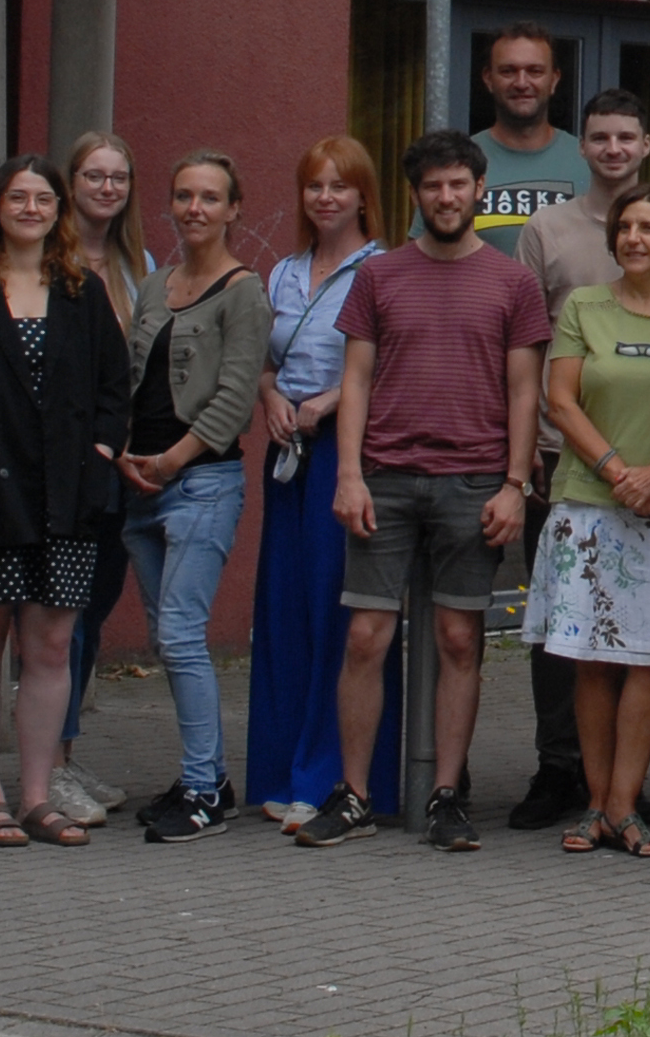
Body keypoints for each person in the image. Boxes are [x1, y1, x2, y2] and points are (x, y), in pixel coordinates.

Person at [301, 132, 550, 853]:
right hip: (384, 477)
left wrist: (514, 483)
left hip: (473, 481)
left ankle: (445, 794)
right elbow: (354, 380)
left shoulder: (513, 282)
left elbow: (524, 391)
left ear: (479, 190)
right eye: (433, 186)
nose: (446, 197)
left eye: (458, 184)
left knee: (459, 639)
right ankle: (353, 794)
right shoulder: (378, 276)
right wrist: (348, 474)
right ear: (415, 195)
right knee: (365, 638)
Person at [0, 155, 133, 848]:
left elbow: (114, 389)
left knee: (51, 645)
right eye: (18, 197)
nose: (31, 209)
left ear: (58, 211)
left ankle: (37, 797)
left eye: (43, 198)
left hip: (65, 498)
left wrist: (99, 458)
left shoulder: (80, 290)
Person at [511, 91, 650, 833]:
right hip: (589, 502)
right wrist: (621, 473)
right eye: (625, 228)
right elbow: (559, 400)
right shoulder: (583, 308)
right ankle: (596, 804)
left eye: (647, 228)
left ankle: (626, 803)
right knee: (589, 659)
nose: (633, 238)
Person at [118, 153, 269, 842]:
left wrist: (169, 461)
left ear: (234, 210)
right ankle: (209, 776)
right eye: (183, 196)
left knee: (181, 634)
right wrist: (130, 456)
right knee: (165, 638)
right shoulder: (156, 285)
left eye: (210, 198)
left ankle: (204, 793)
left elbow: (235, 398)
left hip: (200, 484)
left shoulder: (244, 292)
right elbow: (132, 377)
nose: (194, 209)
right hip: (140, 487)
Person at [248, 137, 394, 833]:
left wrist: (332, 401)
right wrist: (270, 396)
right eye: (314, 186)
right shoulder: (282, 273)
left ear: (363, 195)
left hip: (348, 453)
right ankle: (280, 770)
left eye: (340, 185)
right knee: (284, 612)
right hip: (289, 455)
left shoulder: (384, 270)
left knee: (339, 613)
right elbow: (264, 362)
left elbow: (390, 366)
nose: (326, 197)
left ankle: (329, 776)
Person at [51, 131, 148, 826]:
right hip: (66, 464)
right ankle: (49, 763)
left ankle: (64, 750)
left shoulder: (137, 265)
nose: (107, 188)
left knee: (94, 607)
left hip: (122, 463)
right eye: (94, 175)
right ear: (71, 183)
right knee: (63, 615)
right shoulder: (46, 262)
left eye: (118, 177)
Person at [470, 25, 589, 248]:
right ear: (488, 78)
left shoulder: (588, 162)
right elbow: (424, 255)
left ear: (554, 79)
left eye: (535, 71)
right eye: (508, 71)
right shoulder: (458, 161)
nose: (522, 83)